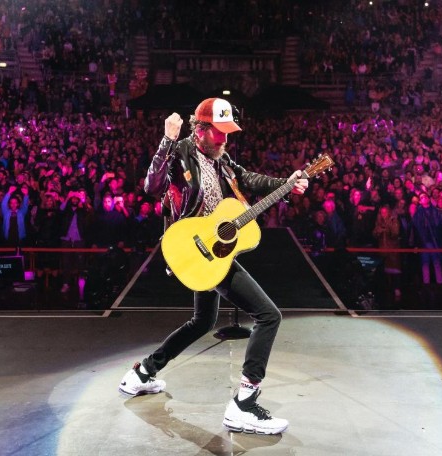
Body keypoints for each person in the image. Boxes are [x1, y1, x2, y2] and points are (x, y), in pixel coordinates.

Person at [118, 98, 308, 435]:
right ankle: (244, 405)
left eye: (227, 134)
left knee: (203, 320)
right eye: (218, 134)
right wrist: (167, 141)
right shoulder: (181, 152)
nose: (224, 140)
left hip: (213, 252)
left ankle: (143, 373)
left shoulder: (220, 158)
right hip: (195, 249)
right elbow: (151, 186)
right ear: (201, 129)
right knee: (268, 315)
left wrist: (286, 182)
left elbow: (247, 178)